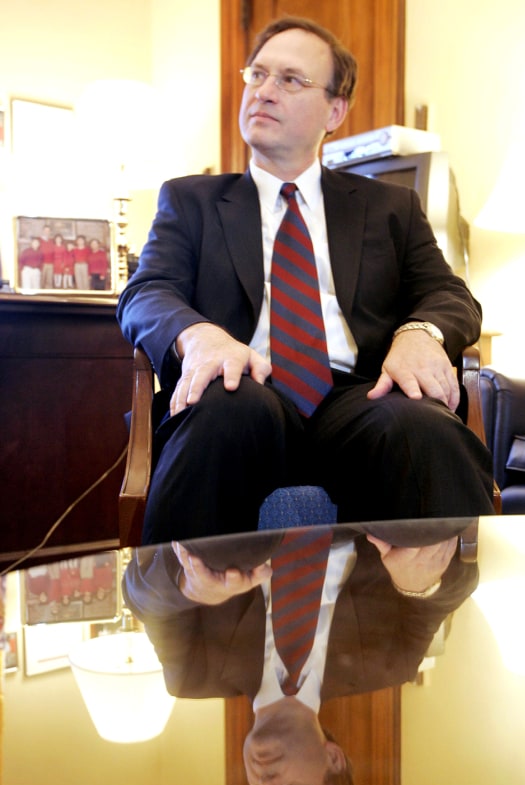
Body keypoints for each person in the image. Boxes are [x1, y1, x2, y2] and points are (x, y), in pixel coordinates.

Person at [117, 16, 495, 545]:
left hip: (359, 396)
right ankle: (186, 615)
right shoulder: (191, 201)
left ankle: (440, 612)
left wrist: (421, 333)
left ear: (335, 111)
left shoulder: (390, 208)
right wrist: (197, 334)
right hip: (245, 386)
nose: (265, 92)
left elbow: (449, 293)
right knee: (223, 415)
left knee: (423, 428)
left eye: (290, 80)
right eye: (258, 75)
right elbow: (145, 292)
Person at [122, 518, 478, 785]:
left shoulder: (193, 674)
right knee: (421, 533)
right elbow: (455, 587)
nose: (267, 783)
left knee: (219, 552)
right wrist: (419, 586)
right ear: (334, 759)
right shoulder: (391, 664)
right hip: (361, 497)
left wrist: (190, 587)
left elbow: (139, 596)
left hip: (243, 497)